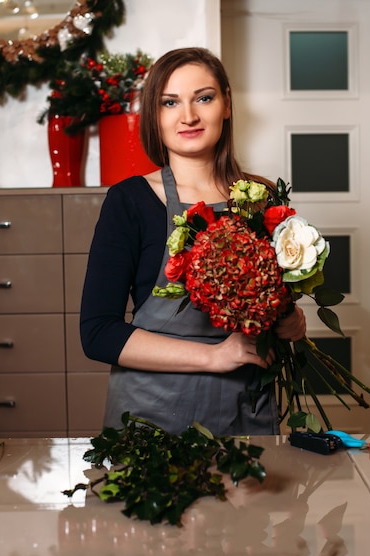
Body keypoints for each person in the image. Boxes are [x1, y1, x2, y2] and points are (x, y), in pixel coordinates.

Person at [80, 47, 306, 436]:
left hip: (249, 416)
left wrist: (291, 321)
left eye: (203, 97)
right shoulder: (131, 200)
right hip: (154, 424)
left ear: (227, 104)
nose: (188, 116)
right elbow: (98, 334)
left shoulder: (264, 200)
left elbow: (275, 307)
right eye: (171, 102)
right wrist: (216, 356)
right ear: (155, 114)